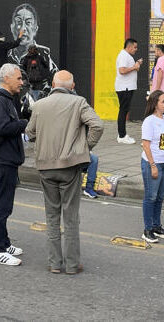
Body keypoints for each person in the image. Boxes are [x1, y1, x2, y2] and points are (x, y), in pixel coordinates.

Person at [25, 71, 104, 274]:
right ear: (72, 85)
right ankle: (71, 264)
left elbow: (30, 132)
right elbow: (97, 125)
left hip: (45, 166)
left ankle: (54, 263)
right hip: (70, 165)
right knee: (70, 216)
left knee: (52, 215)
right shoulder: (78, 102)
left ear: (52, 84)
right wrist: (85, 148)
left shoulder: (40, 105)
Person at [0, 63, 28, 266]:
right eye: (18, 78)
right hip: (1, 160)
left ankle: (4, 242)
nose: (22, 82)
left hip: (7, 159)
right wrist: (24, 124)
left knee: (6, 205)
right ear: (7, 79)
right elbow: (3, 127)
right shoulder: (0, 101)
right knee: (2, 206)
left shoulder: (7, 99)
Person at [140, 90, 164, 243]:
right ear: (155, 104)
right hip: (153, 163)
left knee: (160, 197)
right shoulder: (149, 121)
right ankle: (147, 229)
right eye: (163, 101)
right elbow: (146, 145)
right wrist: (153, 165)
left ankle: (157, 226)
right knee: (151, 196)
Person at [7, 4, 57, 74]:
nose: (23, 28)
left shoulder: (44, 54)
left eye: (28, 23)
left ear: (35, 29)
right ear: (12, 28)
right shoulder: (5, 55)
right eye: (19, 22)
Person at [115, 38, 142, 144]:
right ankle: (122, 136)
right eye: (135, 47)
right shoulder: (123, 56)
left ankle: (122, 134)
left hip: (127, 87)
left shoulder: (126, 56)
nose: (136, 49)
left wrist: (136, 64)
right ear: (129, 47)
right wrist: (134, 67)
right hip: (124, 88)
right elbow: (121, 70)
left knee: (124, 110)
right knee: (123, 111)